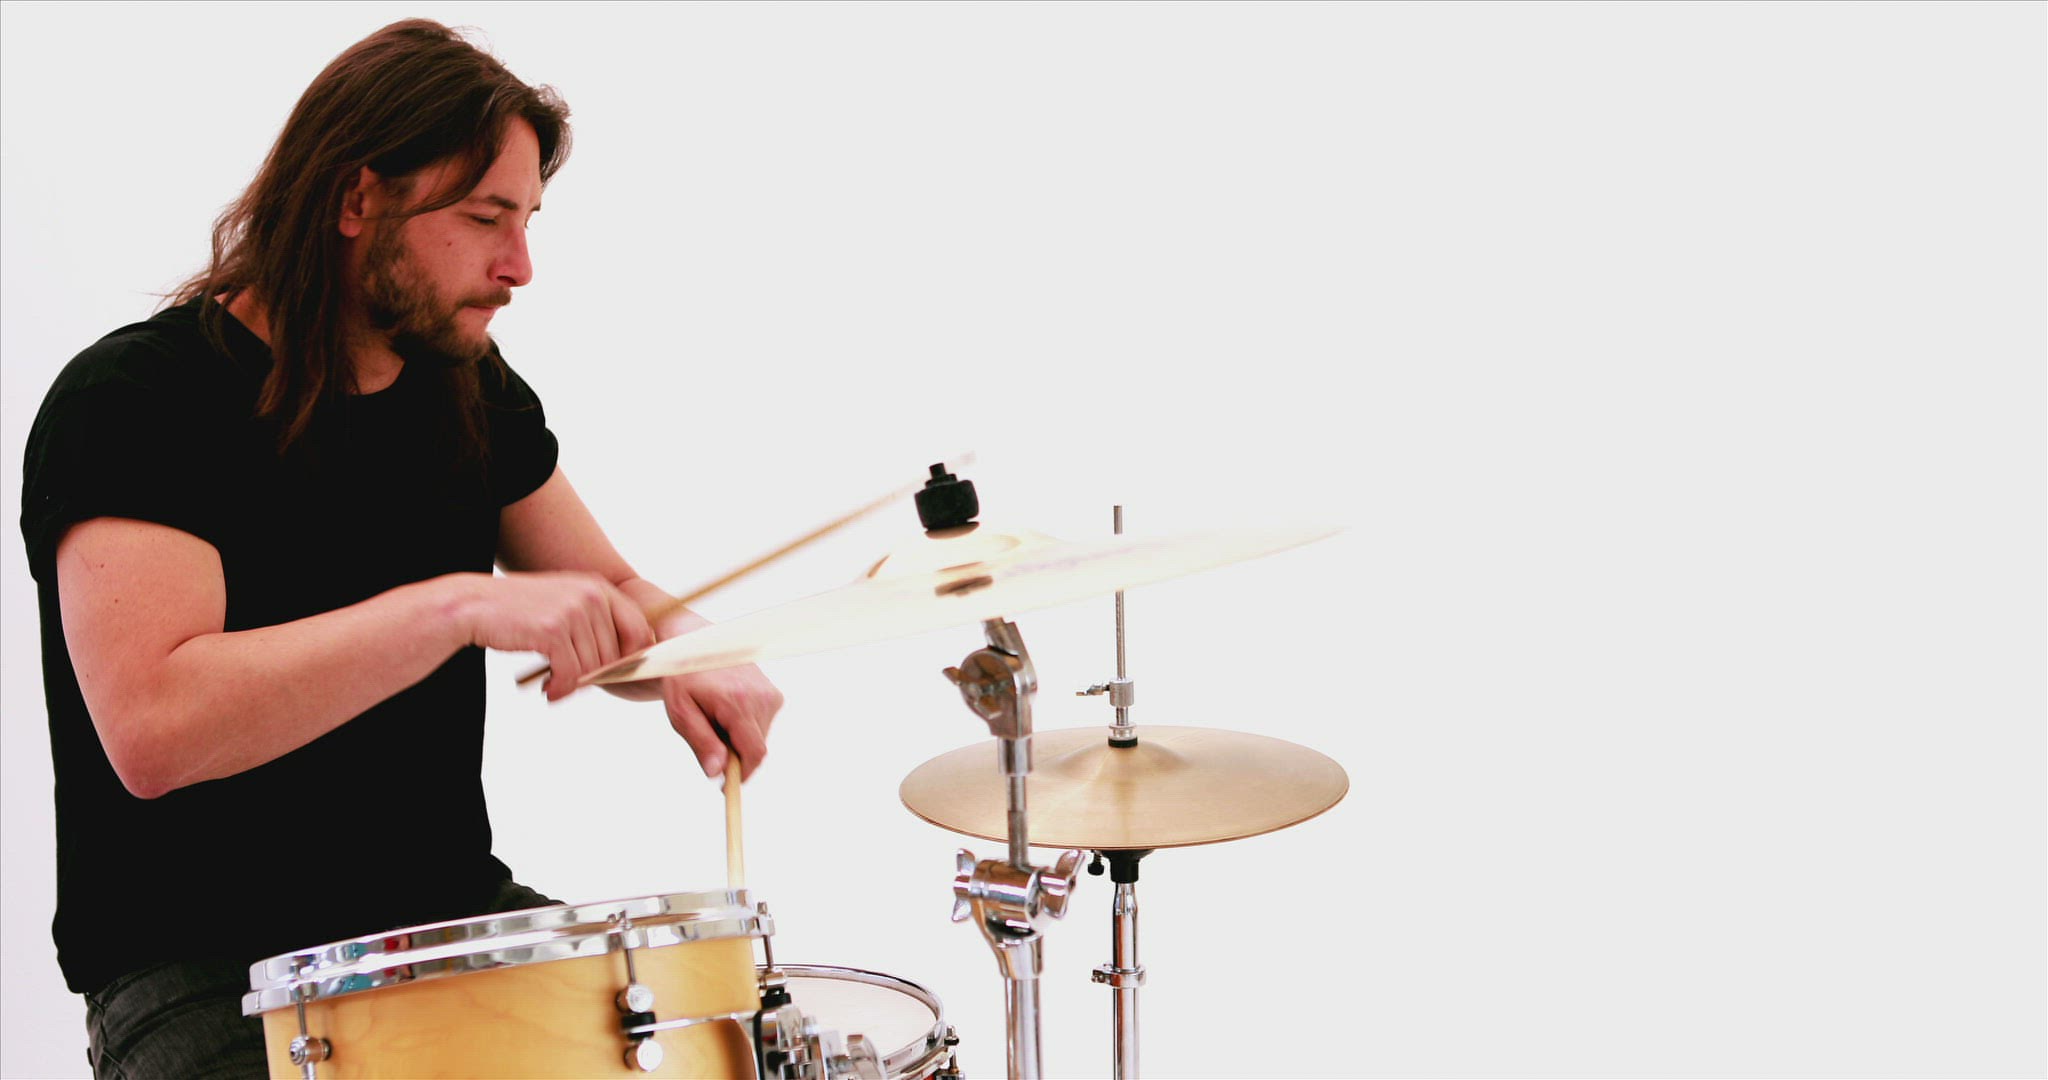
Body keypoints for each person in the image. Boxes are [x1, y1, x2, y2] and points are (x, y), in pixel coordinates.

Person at [18, 19, 783, 1079]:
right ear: (356, 199)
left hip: (442, 922)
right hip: (211, 972)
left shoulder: (464, 386)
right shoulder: (137, 401)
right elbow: (154, 729)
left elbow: (604, 589)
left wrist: (693, 652)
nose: (519, 266)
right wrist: (456, 608)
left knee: (718, 1049)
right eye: (484, 219)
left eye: (527, 221)